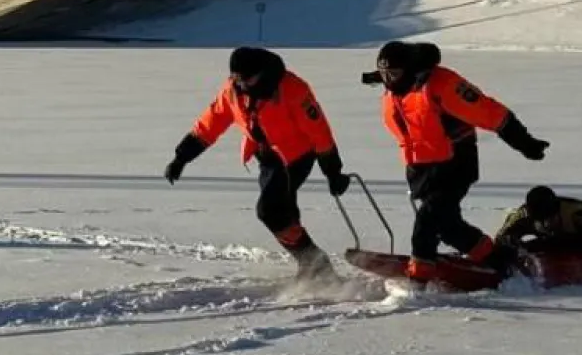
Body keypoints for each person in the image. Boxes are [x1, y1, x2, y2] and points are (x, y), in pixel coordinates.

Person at [368, 40, 549, 282]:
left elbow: (490, 112)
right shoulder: (396, 92)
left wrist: (525, 143)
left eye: (394, 73)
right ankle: (499, 262)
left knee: (427, 221)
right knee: (448, 227)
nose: (389, 80)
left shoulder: (442, 85)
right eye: (384, 74)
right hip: (422, 169)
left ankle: (419, 281)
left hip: (455, 164)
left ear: (410, 69)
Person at [165, 47, 350, 281]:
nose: (242, 84)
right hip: (266, 157)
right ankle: (310, 263)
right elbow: (210, 123)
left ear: (262, 73)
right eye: (237, 78)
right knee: (284, 212)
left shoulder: (292, 89)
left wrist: (333, 171)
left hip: (296, 156)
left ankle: (314, 262)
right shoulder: (233, 90)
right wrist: (182, 157)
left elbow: (319, 132)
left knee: (270, 211)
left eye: (247, 79)